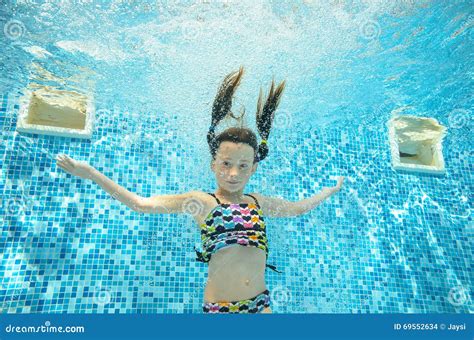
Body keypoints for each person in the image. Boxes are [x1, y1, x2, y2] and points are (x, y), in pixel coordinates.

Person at [56, 66, 344, 314]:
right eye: (226, 163)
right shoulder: (201, 202)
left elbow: (297, 208)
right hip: (220, 308)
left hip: (260, 304)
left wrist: (329, 192)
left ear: (253, 168)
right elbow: (140, 204)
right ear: (213, 164)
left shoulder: (258, 202)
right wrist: (91, 173)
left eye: (243, 166)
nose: (233, 173)